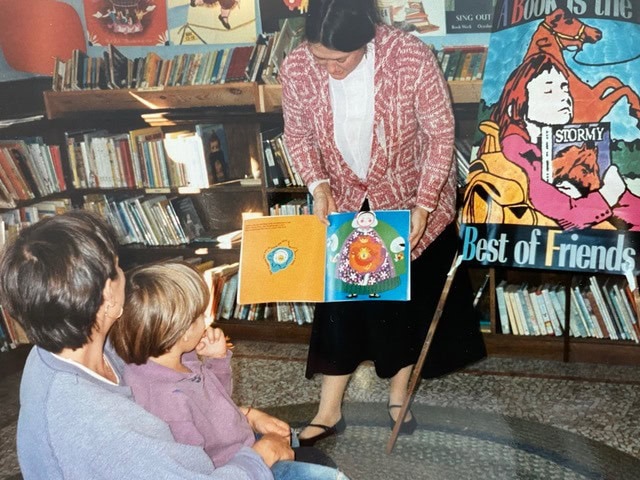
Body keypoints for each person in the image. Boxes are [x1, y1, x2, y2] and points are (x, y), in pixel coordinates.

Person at [279, 0, 487, 446]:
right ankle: (329, 410)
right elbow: (295, 133)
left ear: (367, 38)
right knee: (340, 307)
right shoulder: (297, 66)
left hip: (410, 198)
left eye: (341, 60)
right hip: (345, 201)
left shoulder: (409, 56)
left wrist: (426, 204)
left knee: (405, 304)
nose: (330, 69)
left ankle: (399, 397)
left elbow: (440, 133)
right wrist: (317, 185)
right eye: (321, 58)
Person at [0, 210, 272, 479]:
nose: (126, 275)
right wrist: (260, 458)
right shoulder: (99, 422)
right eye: (118, 268)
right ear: (108, 294)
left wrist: (243, 415)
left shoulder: (64, 341)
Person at [108, 262, 349, 480]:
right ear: (179, 332)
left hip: (240, 445)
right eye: (199, 317)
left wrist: (217, 360)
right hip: (236, 467)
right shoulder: (165, 402)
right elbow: (199, 470)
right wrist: (257, 450)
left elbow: (215, 402)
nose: (207, 320)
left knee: (301, 448)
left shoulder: (173, 357)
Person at [489, 52, 640, 230]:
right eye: (548, 90)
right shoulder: (517, 148)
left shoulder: (554, 144)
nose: (564, 97)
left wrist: (617, 191)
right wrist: (609, 193)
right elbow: (562, 213)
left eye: (564, 88)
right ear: (516, 107)